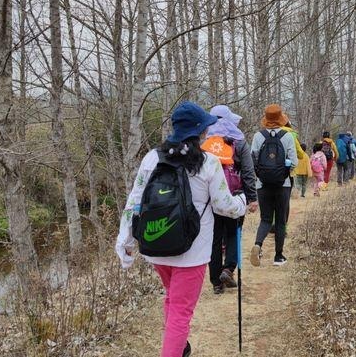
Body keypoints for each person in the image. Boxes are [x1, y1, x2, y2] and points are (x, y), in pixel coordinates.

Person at [115, 102, 247, 357]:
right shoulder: (208, 162)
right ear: (199, 132)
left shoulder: (152, 157)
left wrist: (126, 240)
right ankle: (175, 349)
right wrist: (241, 203)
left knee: (172, 300)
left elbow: (135, 200)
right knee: (181, 313)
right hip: (193, 252)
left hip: (156, 244)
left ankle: (179, 346)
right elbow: (223, 206)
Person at [202, 105, 258, 295]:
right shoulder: (239, 142)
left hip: (210, 200)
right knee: (234, 233)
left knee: (215, 239)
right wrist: (252, 198)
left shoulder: (205, 143)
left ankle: (216, 282)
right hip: (234, 197)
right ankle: (228, 269)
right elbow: (249, 172)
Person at [250, 104, 298, 267]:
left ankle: (258, 244)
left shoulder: (258, 136)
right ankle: (278, 256)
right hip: (282, 184)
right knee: (280, 221)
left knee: (265, 219)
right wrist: (284, 173)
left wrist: (261, 176)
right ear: (281, 119)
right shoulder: (287, 136)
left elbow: (253, 159)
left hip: (262, 184)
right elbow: (293, 161)